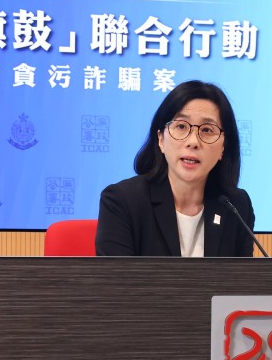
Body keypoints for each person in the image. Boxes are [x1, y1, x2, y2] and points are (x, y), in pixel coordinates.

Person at [95, 80, 256, 256]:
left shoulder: (236, 206)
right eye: (181, 126)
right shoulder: (123, 201)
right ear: (161, 139)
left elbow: (243, 274)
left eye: (207, 130)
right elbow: (118, 275)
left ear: (223, 147)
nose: (193, 142)